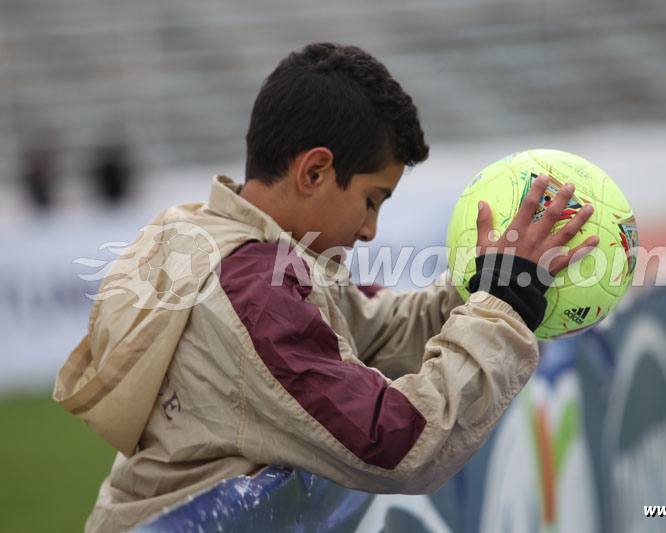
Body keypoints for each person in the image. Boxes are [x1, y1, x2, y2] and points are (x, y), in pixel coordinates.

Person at [53, 43, 597, 532]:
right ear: (314, 171)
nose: (370, 230)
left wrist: (484, 286)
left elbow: (378, 335)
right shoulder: (252, 293)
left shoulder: (227, 241)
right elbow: (401, 442)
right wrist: (504, 305)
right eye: (372, 200)